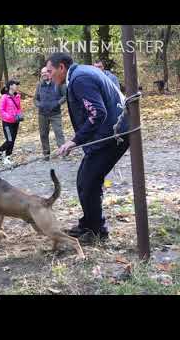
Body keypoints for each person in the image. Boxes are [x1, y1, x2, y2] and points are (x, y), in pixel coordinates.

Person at [46, 52, 130, 244]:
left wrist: (74, 140)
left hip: (114, 135)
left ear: (61, 68)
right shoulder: (81, 73)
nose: (48, 76)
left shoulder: (80, 79)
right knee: (86, 180)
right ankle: (90, 225)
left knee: (88, 182)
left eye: (50, 71)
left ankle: (96, 231)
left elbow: (97, 113)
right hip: (111, 132)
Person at [34, 67, 66, 159]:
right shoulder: (39, 85)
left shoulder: (57, 83)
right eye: (42, 73)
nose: (44, 74)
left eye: (46, 72)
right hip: (42, 114)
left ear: (50, 73)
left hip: (55, 114)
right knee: (43, 134)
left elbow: (65, 96)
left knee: (58, 133)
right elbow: (35, 99)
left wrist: (57, 103)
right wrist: (39, 105)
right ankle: (46, 154)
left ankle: (63, 152)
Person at [0, 80, 24, 165]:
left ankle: (7, 157)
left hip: (16, 122)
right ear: (10, 86)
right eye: (15, 84)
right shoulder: (4, 97)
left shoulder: (17, 96)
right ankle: (0, 150)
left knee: (13, 140)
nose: (17, 86)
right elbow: (1, 110)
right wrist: (9, 116)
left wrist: (19, 114)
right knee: (9, 140)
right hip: (7, 123)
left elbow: (19, 108)